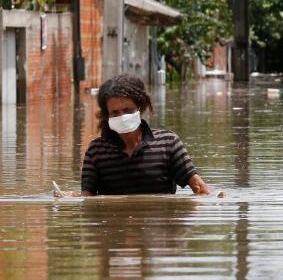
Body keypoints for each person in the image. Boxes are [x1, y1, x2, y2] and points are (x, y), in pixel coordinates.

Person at [60, 74, 212, 196]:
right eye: (115, 112)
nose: (122, 116)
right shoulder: (97, 152)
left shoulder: (168, 143)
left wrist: (214, 198)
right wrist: (69, 197)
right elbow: (87, 199)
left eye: (128, 110)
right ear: (107, 116)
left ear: (139, 108)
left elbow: (200, 189)